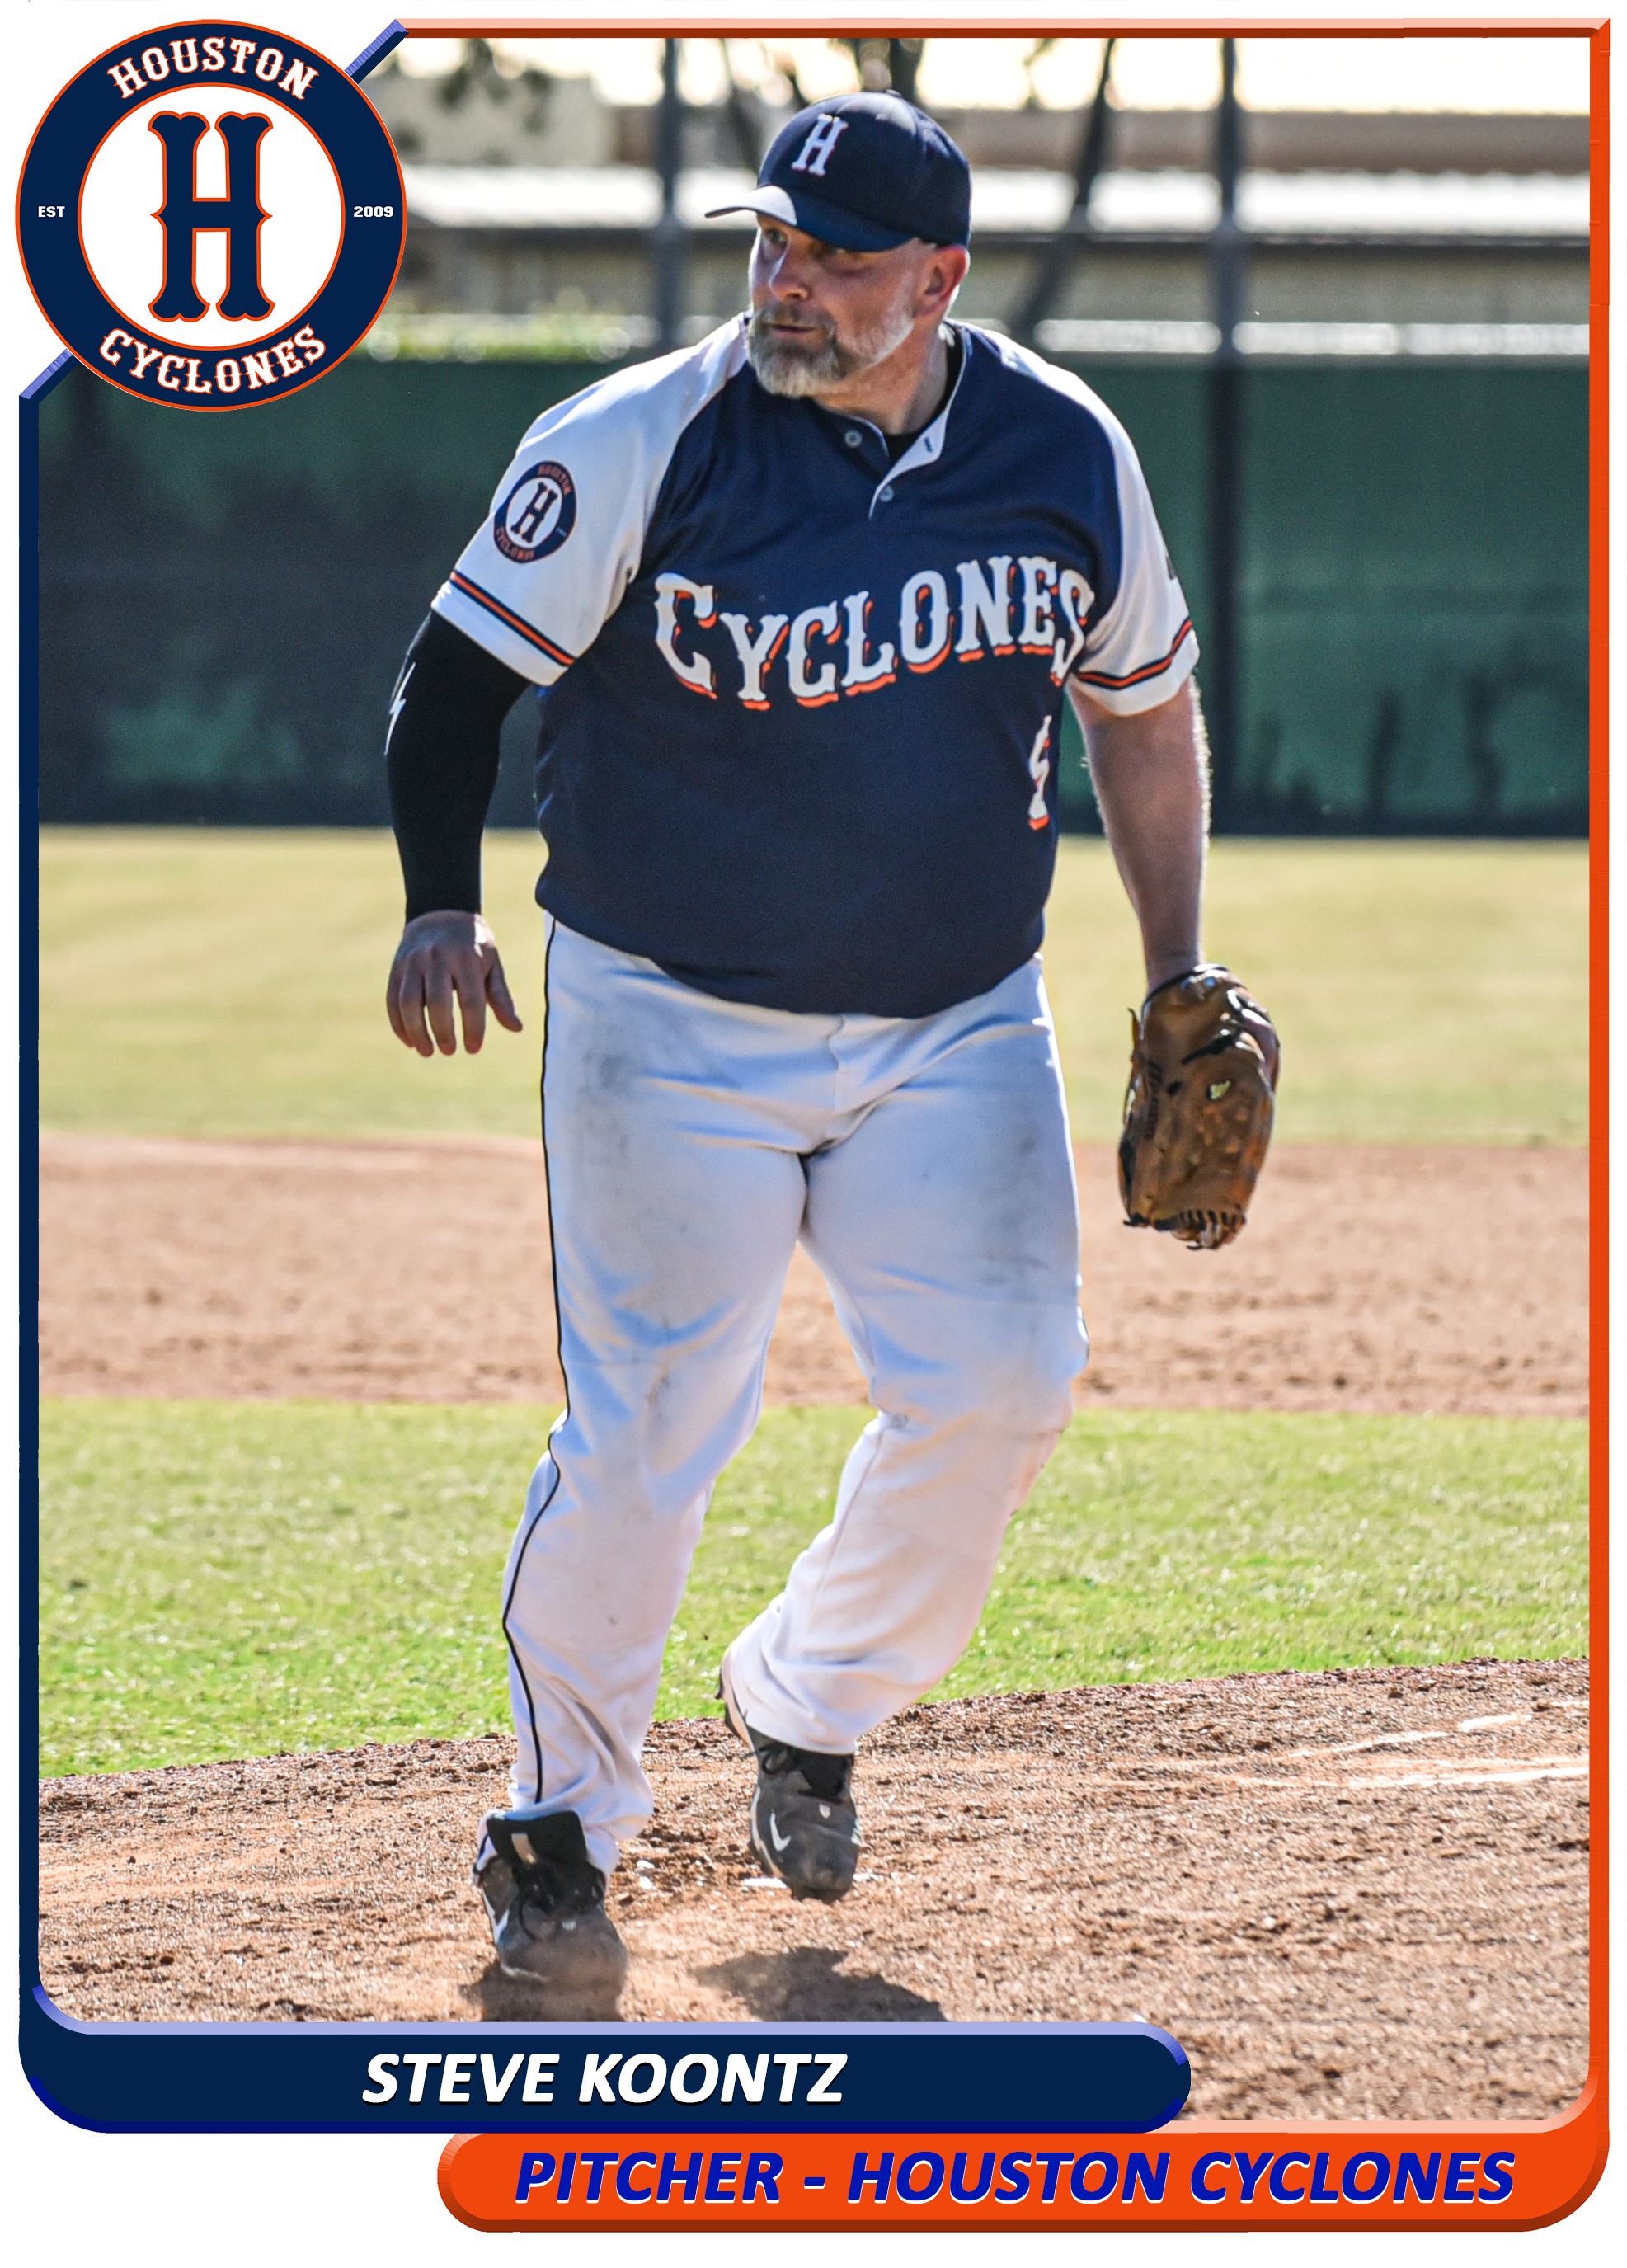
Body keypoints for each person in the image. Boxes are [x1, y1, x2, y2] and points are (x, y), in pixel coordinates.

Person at [383, 91, 1206, 2002]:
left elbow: (1143, 712)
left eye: (835, 257)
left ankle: (805, 1696)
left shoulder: (1066, 453)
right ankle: (558, 1828)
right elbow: (456, 678)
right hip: (667, 1014)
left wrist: (1177, 971)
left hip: (958, 1020)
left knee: (1007, 1384)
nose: (788, 282)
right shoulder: (638, 439)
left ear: (940, 278)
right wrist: (438, 901)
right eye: (772, 243)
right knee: (652, 1429)